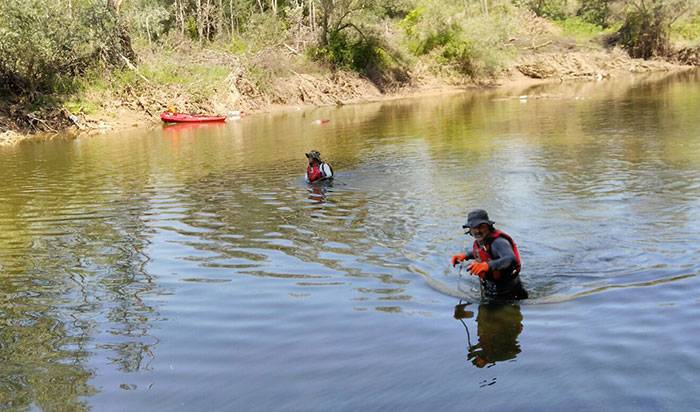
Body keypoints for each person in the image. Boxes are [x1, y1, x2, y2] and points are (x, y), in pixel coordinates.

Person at [451, 209, 528, 301]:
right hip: (491, 289)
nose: (477, 231)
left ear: (488, 226)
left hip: (510, 294)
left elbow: (511, 259)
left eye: (481, 226)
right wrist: (465, 255)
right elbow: (483, 252)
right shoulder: (482, 241)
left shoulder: (499, 242)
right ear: (470, 230)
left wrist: (486, 266)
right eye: (473, 227)